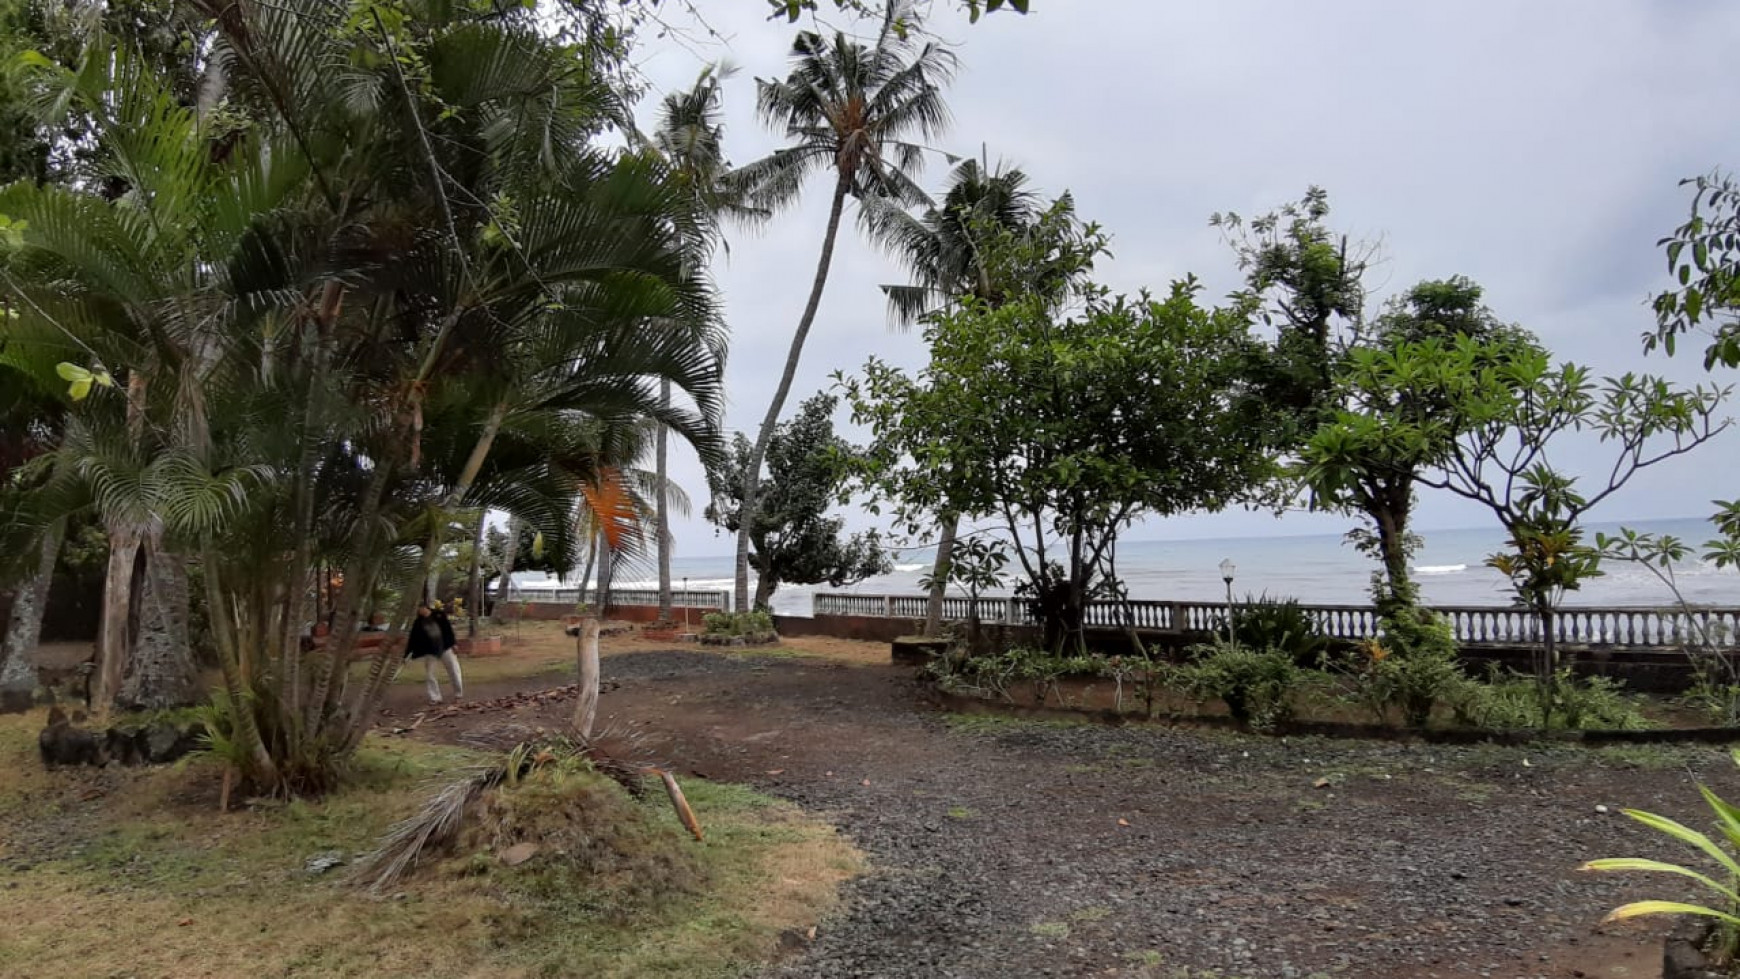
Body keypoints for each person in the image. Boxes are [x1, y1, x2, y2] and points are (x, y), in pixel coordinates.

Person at [405, 600, 463, 705]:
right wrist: (407, 654)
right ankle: (435, 697)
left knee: (454, 670)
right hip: (430, 651)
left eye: (419, 609)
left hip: (445, 647)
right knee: (430, 675)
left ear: (424, 608)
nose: (418, 611)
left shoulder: (439, 615)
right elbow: (413, 639)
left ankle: (458, 694)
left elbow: (448, 630)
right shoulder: (418, 622)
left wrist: (453, 643)